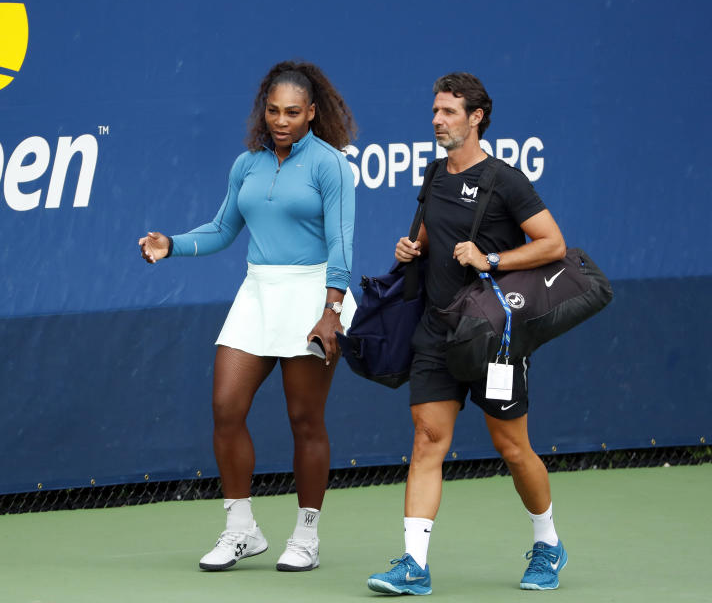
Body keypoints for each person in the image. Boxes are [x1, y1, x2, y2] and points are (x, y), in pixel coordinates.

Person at [138, 60, 357, 572]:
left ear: (312, 113)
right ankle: (242, 530)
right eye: (274, 111)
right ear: (265, 110)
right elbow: (220, 229)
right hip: (257, 292)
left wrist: (332, 311)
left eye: (293, 112)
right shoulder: (247, 165)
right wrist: (172, 245)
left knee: (305, 420)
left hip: (312, 294)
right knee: (225, 408)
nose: (282, 121)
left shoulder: (330, 166)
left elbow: (341, 244)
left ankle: (306, 535)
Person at [366, 73, 568, 595]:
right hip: (436, 330)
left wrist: (492, 258)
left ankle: (548, 543)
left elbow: (553, 245)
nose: (438, 120)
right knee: (428, 439)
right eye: (435, 111)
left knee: (512, 447)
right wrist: (413, 248)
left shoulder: (505, 180)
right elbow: (435, 235)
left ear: (476, 117)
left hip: (492, 337)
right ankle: (413, 564)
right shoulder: (433, 175)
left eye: (449, 112)